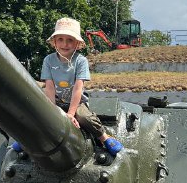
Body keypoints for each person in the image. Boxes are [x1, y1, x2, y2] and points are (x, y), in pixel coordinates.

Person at [11, 17, 123, 155]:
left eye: (70, 40)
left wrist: (71, 113)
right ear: (55, 42)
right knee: (37, 112)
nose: (65, 44)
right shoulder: (48, 60)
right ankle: (27, 139)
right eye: (60, 39)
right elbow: (49, 87)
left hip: (76, 101)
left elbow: (78, 88)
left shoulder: (81, 61)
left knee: (85, 117)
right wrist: (51, 110)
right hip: (55, 99)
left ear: (77, 43)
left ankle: (104, 137)